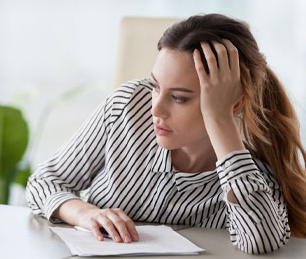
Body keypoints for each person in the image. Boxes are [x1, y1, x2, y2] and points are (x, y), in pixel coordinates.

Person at [25, 13, 306, 254]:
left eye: (180, 98)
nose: (156, 108)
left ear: (234, 104)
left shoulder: (250, 170)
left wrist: (220, 121)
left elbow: (262, 241)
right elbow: (44, 182)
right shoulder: (128, 106)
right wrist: (85, 213)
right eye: (155, 85)